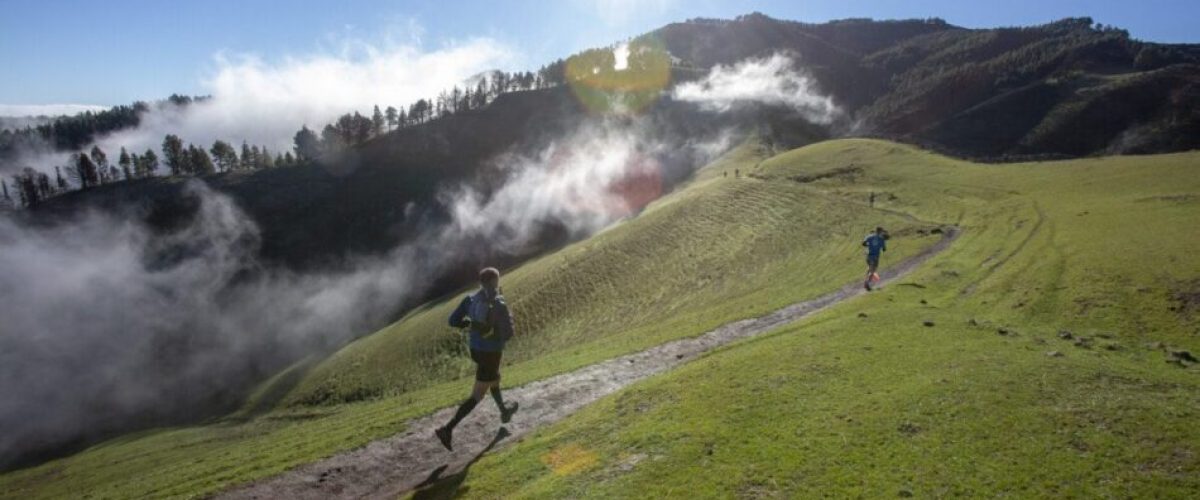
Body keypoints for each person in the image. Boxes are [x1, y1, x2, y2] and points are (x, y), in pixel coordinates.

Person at [435, 267, 519, 451]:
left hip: (476, 350)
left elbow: (453, 321)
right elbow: (508, 334)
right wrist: (500, 325)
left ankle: (504, 412)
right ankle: (447, 429)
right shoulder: (499, 303)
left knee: (495, 377)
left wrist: (470, 323)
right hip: (492, 352)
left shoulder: (469, 300)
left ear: (481, 283)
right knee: (478, 394)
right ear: (495, 281)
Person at [862, 227, 887, 291]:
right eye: (882, 232)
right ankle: (867, 283)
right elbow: (884, 249)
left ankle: (866, 281)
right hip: (875, 257)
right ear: (880, 232)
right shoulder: (881, 239)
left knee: (869, 268)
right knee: (873, 271)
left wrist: (869, 245)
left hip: (869, 256)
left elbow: (863, 243)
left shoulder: (870, 237)